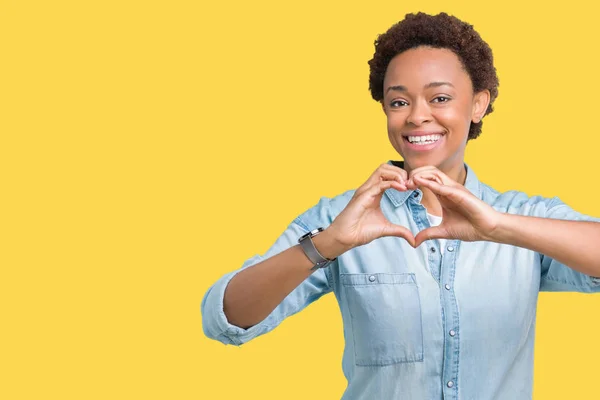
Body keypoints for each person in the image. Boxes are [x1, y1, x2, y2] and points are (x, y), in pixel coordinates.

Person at [200, 12, 600, 399]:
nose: (417, 117)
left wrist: (497, 227)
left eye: (439, 97)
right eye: (398, 102)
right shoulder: (339, 219)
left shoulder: (522, 217)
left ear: (478, 104)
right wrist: (328, 244)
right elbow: (224, 319)